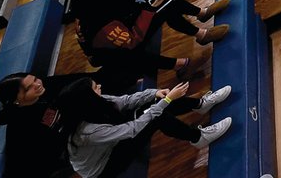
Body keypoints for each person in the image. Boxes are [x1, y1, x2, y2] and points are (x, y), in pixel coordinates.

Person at [57, 76, 232, 177]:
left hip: (108, 142)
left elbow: (125, 101)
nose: (100, 87)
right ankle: (198, 138)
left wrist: (154, 93)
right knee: (155, 115)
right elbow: (132, 129)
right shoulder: (87, 132)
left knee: (154, 103)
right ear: (88, 99)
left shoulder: (95, 103)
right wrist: (168, 99)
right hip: (104, 168)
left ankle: (201, 104)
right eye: (96, 88)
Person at [70, 0, 225, 86]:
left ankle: (202, 14)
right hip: (114, 53)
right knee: (135, 54)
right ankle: (182, 64)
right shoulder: (102, 26)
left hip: (126, 25)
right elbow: (132, 40)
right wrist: (151, 9)